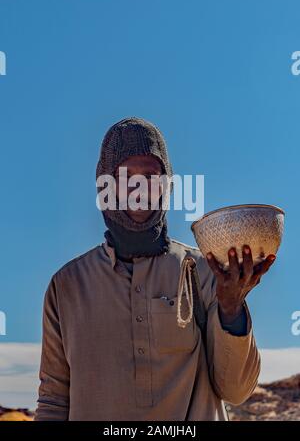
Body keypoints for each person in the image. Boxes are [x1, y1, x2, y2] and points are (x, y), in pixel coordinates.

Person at [34, 117, 276, 421]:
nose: (139, 188)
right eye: (125, 177)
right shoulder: (67, 286)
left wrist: (231, 308)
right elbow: (54, 401)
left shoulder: (205, 272)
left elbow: (236, 390)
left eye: (151, 176)